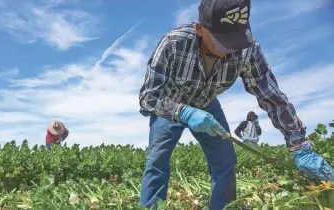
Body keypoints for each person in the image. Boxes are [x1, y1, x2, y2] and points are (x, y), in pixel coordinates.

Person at [137, 0, 334, 209]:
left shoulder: (247, 49)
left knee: (225, 161)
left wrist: (299, 145)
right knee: (157, 161)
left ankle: (223, 207)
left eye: (236, 39)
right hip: (169, 105)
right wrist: (184, 112)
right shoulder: (173, 43)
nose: (231, 48)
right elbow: (149, 97)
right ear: (200, 29)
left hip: (207, 105)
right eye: (222, 40)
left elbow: (270, 95)